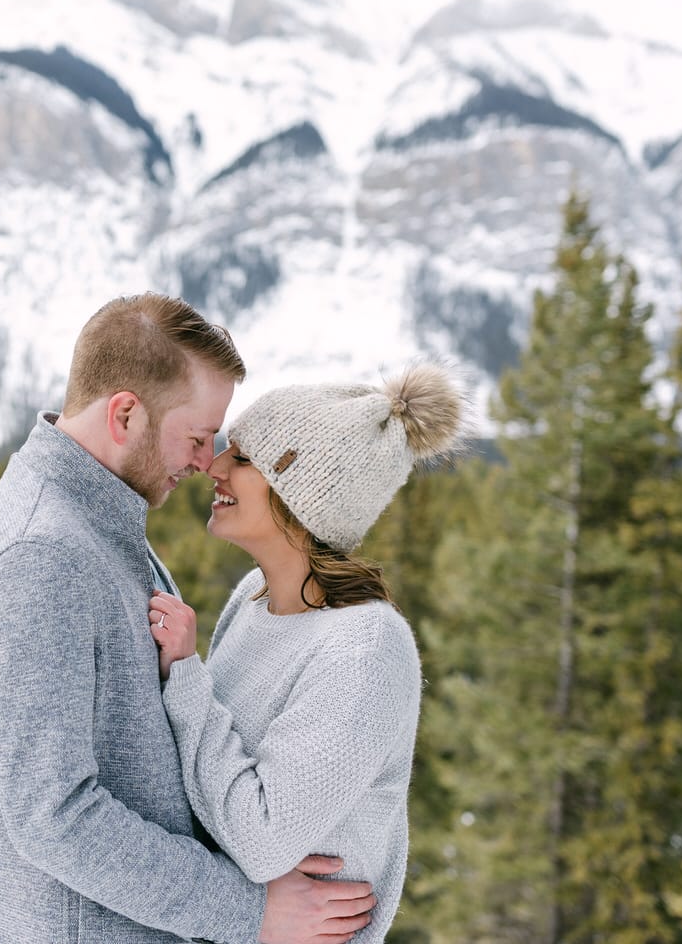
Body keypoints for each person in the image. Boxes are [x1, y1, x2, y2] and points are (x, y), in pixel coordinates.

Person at [0, 293, 378, 943]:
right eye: (198, 437)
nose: (208, 462)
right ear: (125, 413)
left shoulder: (100, 520)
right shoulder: (41, 560)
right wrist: (249, 911)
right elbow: (55, 817)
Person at [147, 361, 467, 942]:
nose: (214, 467)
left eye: (242, 459)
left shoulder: (366, 649)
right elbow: (218, 796)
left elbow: (261, 839)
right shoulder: (254, 598)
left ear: (302, 493)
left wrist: (186, 680)